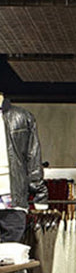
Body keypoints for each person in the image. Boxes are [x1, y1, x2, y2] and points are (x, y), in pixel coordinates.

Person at [0, 92, 47, 242]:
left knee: (12, 252)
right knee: (11, 252)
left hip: (13, 198)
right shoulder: (24, 117)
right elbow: (32, 158)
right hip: (13, 198)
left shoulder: (22, 117)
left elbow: (33, 157)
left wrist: (39, 193)